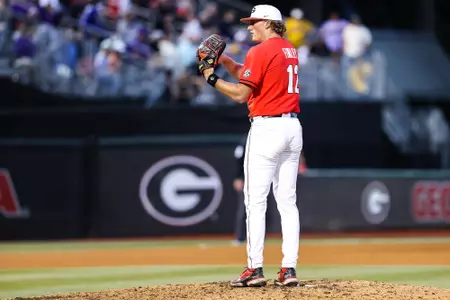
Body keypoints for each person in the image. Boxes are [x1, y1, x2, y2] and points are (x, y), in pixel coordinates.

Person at [199, 4, 303, 287]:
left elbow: (240, 95)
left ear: (268, 23)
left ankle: (254, 269)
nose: (249, 26)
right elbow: (255, 76)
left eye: (254, 21)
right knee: (287, 202)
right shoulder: (288, 49)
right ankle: (289, 269)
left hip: (267, 128)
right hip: (292, 128)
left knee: (254, 201)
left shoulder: (260, 51)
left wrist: (211, 77)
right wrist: (228, 62)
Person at [231, 134, 247, 246]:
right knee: (244, 208)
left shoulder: (265, 139)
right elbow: (238, 159)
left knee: (262, 209)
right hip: (246, 179)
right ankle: (240, 237)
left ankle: (258, 237)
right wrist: (238, 177)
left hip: (261, 178)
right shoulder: (245, 141)